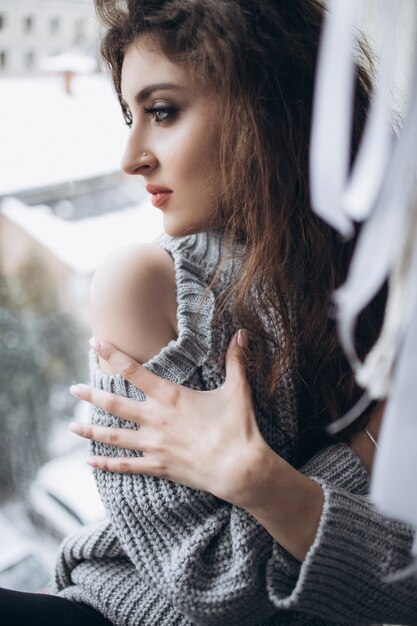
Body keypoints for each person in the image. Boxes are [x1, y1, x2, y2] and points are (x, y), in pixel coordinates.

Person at [1, 1, 416, 625]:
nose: (131, 156)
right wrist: (360, 453)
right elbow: (211, 586)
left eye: (162, 112)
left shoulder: (388, 280)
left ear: (269, 105)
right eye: (130, 116)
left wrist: (254, 478)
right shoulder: (145, 285)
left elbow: (405, 580)